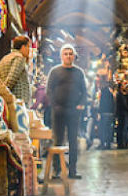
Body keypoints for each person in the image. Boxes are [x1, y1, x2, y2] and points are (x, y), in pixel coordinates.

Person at [46, 44, 87, 179]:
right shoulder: (55, 71)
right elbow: (49, 90)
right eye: (66, 53)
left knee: (73, 140)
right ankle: (57, 170)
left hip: (74, 111)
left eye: (71, 53)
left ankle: (73, 170)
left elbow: (84, 91)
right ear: (61, 56)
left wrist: (81, 105)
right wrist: (54, 105)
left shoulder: (79, 72)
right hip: (58, 111)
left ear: (74, 56)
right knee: (57, 140)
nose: (68, 56)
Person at [0, 35, 32, 104]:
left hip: (7, 100)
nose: (29, 50)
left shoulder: (4, 59)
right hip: (17, 100)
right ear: (23, 47)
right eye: (28, 47)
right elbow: (12, 78)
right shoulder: (19, 58)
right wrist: (5, 93)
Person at [98, 79, 115, 150]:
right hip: (110, 114)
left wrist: (99, 112)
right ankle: (108, 144)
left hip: (104, 113)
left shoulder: (104, 93)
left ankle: (103, 143)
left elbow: (102, 104)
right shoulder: (110, 93)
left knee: (103, 129)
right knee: (108, 129)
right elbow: (113, 103)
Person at [115, 82, 128, 149]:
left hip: (121, 113)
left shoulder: (119, 94)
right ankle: (122, 144)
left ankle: (121, 143)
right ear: (121, 87)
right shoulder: (120, 95)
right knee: (122, 129)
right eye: (123, 85)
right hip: (123, 114)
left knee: (121, 128)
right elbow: (124, 105)